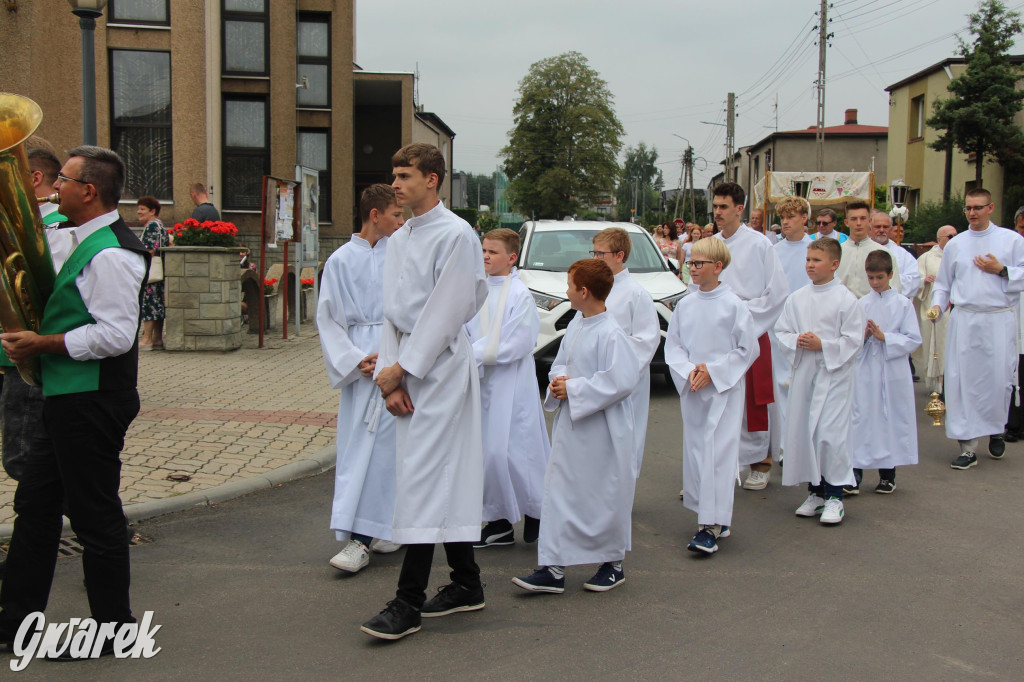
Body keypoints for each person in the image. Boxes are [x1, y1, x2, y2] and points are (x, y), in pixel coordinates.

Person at [0, 145, 149, 654]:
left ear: (88, 191)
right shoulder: (81, 239)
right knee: (36, 505)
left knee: (94, 514)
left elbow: (115, 337)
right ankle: (15, 621)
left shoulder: (112, 253)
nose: (52, 187)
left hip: (91, 402)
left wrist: (41, 343)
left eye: (62, 180)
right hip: (66, 396)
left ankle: (116, 629)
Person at [360, 143, 488, 641]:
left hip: (441, 368)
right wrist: (390, 376)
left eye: (405, 174)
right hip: (409, 367)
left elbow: (447, 310)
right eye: (394, 175)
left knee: (423, 479)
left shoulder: (456, 235)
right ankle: (467, 583)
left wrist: (405, 369)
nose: (395, 183)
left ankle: (408, 601)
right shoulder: (401, 236)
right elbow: (392, 311)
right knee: (433, 476)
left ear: (432, 179)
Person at [512, 259, 639, 593]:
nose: (566, 292)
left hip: (604, 431)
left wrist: (575, 388)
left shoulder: (612, 333)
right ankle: (552, 566)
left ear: (584, 292)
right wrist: (558, 381)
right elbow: (561, 364)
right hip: (573, 428)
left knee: (604, 493)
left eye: (570, 286)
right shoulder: (577, 326)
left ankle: (613, 563)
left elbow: (622, 381)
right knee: (561, 492)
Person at [317, 184, 405, 575]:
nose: (401, 222)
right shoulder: (340, 260)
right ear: (375, 215)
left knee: (389, 450)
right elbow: (328, 320)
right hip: (359, 359)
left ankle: (379, 530)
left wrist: (398, 360)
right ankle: (359, 535)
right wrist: (355, 361)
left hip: (395, 356)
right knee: (360, 448)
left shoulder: (402, 255)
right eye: (396, 215)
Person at [666, 238, 758, 555]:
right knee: (696, 453)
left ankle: (710, 527)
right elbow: (674, 346)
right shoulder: (686, 305)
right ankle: (714, 516)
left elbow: (748, 349)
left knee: (718, 453)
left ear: (717, 267)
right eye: (690, 262)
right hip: (693, 389)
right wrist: (689, 370)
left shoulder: (735, 306)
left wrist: (714, 372)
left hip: (723, 391)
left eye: (698, 263)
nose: (691, 268)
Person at [928, 187, 1024, 469]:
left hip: (998, 319)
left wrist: (1002, 270)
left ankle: (996, 429)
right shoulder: (956, 244)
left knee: (997, 379)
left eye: (978, 208)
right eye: (968, 208)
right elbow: (944, 283)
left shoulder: (1011, 240)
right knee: (962, 381)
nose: (972, 213)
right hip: (965, 319)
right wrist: (938, 305)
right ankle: (967, 446)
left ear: (990, 208)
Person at [467, 229, 549, 549]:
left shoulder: (519, 294)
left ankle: (537, 512)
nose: (485, 256)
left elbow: (517, 340)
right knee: (486, 452)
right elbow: (462, 327)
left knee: (515, 451)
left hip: (511, 383)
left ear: (512, 258)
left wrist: (468, 356)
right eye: (483, 250)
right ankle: (499, 521)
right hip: (480, 382)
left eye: (493, 252)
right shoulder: (476, 290)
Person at [775, 238, 864, 525]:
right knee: (806, 432)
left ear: (834, 264)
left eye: (817, 260)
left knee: (830, 434)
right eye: (808, 259)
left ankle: (835, 496)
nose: (810, 265)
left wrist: (822, 345)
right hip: (805, 372)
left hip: (834, 374)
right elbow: (782, 330)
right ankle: (815, 491)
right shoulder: (797, 298)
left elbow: (853, 340)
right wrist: (798, 341)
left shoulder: (846, 300)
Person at [711, 182, 789, 491]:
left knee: (754, 399)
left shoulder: (760, 245)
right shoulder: (710, 245)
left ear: (739, 209)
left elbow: (777, 292)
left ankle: (761, 461)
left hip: (751, 329)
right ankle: (720, 465)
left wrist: (742, 317)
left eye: (724, 207)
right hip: (717, 334)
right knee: (720, 400)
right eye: (715, 206)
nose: (717, 212)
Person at [849, 250, 922, 495]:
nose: (875, 283)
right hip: (867, 367)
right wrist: (866, 336)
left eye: (880, 277)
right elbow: (852, 340)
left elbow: (913, 339)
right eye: (871, 278)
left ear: (891, 274)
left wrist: (885, 337)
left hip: (892, 369)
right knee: (862, 417)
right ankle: (855, 472)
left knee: (889, 417)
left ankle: (887, 474)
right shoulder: (862, 304)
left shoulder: (902, 304)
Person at [589, 227, 660, 477]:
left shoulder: (636, 294)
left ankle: (622, 493)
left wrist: (617, 367)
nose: (595, 259)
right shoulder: (595, 288)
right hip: (594, 377)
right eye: (593, 253)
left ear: (619, 255)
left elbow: (646, 340)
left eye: (601, 254)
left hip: (623, 379)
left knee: (624, 438)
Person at [768, 196, 813, 465]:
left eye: (792, 216)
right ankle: (783, 444)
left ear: (804, 219)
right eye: (783, 217)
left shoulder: (814, 248)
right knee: (780, 386)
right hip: (779, 326)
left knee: (803, 385)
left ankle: (803, 441)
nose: (785, 221)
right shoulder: (774, 251)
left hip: (806, 324)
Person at [915, 225, 956, 394]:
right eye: (949, 236)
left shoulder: (959, 255)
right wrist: (924, 281)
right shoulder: (926, 258)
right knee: (936, 346)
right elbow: (915, 280)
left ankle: (953, 383)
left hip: (955, 311)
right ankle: (937, 384)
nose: (953, 239)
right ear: (939, 239)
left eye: (955, 235)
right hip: (935, 312)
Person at [836, 201, 901, 298]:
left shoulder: (883, 253)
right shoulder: (836, 252)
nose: (858, 223)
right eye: (854, 219)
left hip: (872, 309)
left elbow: (894, 289)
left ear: (869, 221)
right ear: (846, 222)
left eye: (862, 218)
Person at [136, 196, 169, 351]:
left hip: (151, 272)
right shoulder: (160, 225)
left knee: (149, 305)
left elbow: (150, 249)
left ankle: (147, 339)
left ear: (152, 211)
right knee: (158, 305)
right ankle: (157, 338)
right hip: (160, 272)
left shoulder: (152, 226)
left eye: (143, 209)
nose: (138, 212)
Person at [871, 210, 921, 300]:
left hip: (894, 303)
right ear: (870, 228)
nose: (881, 230)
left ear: (890, 229)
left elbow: (914, 280)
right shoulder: (862, 250)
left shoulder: (903, 254)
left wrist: (885, 281)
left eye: (885, 227)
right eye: (877, 227)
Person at [1008, 210, 1024, 441]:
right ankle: (1013, 425)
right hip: (1016, 317)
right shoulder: (1011, 249)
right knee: (1015, 374)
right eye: (1022, 228)